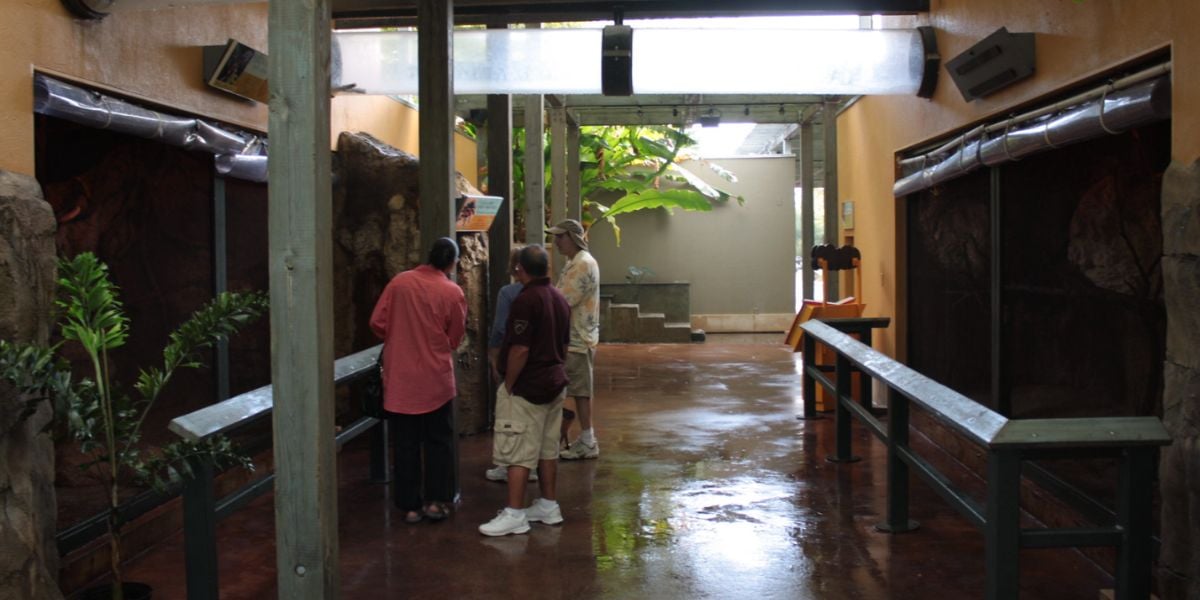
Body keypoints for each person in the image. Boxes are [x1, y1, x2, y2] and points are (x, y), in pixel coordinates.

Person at [369, 237, 468, 524]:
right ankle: (436, 502)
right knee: (439, 443)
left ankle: (410, 506)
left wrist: (400, 335)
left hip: (401, 381)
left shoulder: (399, 283)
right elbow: (455, 337)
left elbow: (377, 322)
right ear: (452, 262)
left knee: (405, 444)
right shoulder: (453, 292)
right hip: (436, 380)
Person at [479, 245, 571, 537]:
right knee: (547, 448)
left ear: (520, 269)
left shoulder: (525, 300)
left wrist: (509, 383)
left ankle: (515, 512)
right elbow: (565, 345)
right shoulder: (559, 299)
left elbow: (519, 348)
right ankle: (548, 505)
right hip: (555, 381)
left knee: (517, 448)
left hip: (528, 386)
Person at [484, 245, 539, 483]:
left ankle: (507, 464)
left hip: (514, 357)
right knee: (533, 416)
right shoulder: (548, 293)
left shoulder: (508, 293)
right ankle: (532, 466)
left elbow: (500, 328)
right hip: (538, 361)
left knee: (509, 413)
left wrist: (494, 357)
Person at [549, 219, 601, 460]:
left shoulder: (582, 264)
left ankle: (588, 440)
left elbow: (562, 301)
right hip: (577, 337)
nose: (556, 242)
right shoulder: (576, 262)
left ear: (573, 237)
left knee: (580, 391)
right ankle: (583, 438)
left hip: (577, 339)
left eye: (560, 237)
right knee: (578, 390)